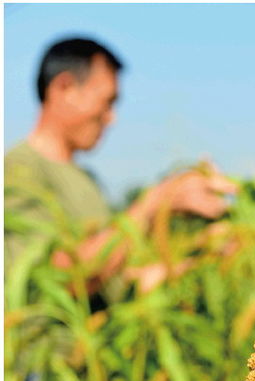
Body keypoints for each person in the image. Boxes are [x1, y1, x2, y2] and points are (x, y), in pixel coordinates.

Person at [5, 37, 236, 293]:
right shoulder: (17, 170)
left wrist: (199, 258)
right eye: (107, 101)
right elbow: (58, 278)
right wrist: (154, 203)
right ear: (65, 87)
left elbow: (108, 287)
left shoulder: (87, 180)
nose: (111, 118)